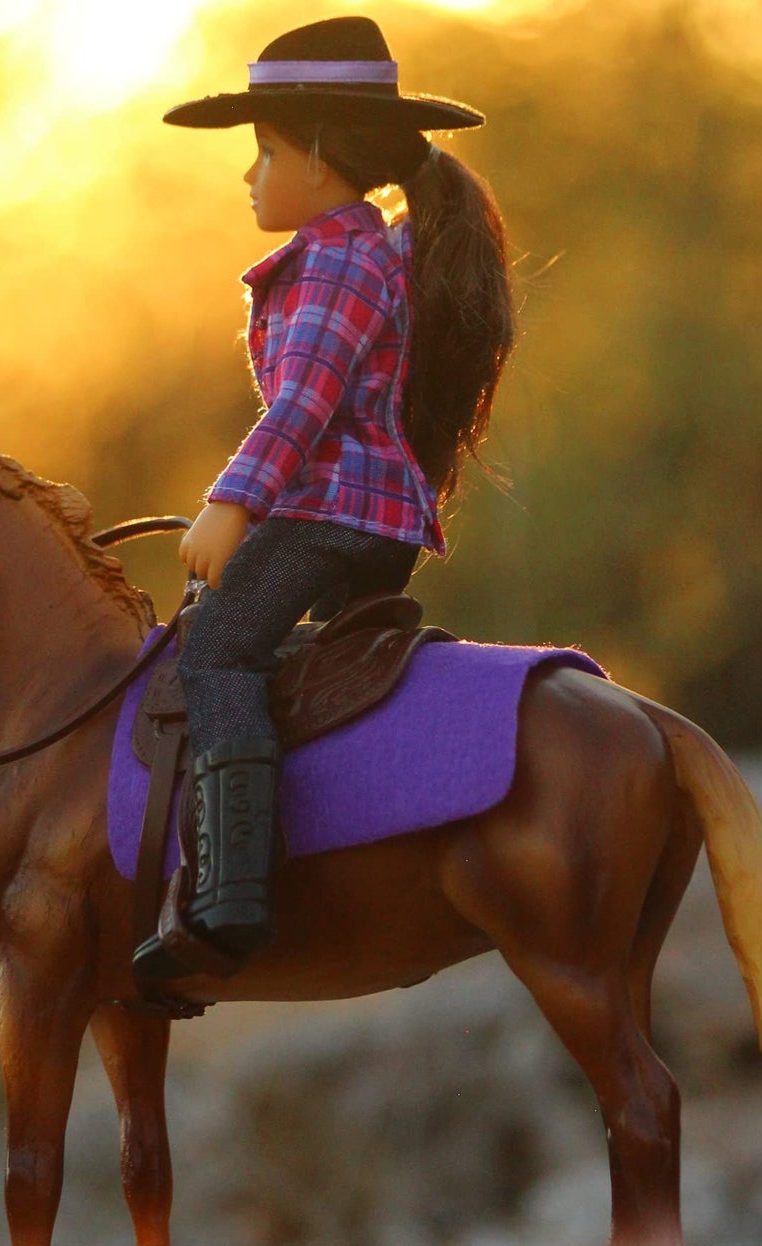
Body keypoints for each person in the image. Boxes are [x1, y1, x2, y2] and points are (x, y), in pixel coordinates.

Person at [135, 15, 514, 978]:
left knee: (216, 647)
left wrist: (233, 501)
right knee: (278, 663)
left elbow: (305, 402)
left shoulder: (339, 259)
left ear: (314, 154)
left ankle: (231, 891)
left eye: (262, 152)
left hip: (336, 515)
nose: (248, 175)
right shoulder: (365, 251)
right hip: (366, 515)